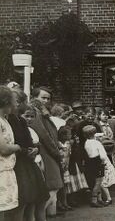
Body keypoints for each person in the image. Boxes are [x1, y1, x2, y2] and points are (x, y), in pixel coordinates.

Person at [7, 89, 50, 221]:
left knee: (36, 199)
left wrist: (34, 149)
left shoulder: (21, 120)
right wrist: (27, 150)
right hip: (18, 164)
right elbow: (13, 143)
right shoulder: (9, 121)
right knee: (23, 201)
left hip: (28, 163)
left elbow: (29, 141)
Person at [29, 87, 64, 218]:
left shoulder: (43, 112)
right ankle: (35, 216)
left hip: (48, 151)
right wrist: (56, 151)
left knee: (52, 187)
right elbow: (43, 134)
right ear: (35, 97)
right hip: (45, 151)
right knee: (54, 185)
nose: (46, 100)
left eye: (48, 98)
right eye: (43, 97)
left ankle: (41, 216)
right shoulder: (35, 112)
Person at [0, 86, 22, 221]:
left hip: (6, 169)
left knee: (4, 210)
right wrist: (18, 147)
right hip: (1, 170)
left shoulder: (4, 120)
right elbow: (3, 148)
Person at [83, 125, 107, 208]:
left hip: (90, 162)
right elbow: (103, 155)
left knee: (95, 182)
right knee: (98, 182)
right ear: (94, 133)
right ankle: (94, 200)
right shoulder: (97, 143)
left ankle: (100, 199)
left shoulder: (86, 142)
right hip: (98, 162)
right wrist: (103, 162)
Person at [57, 126, 73, 212]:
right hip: (59, 166)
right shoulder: (57, 144)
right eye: (69, 134)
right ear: (63, 135)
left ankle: (65, 202)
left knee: (65, 185)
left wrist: (67, 164)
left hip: (66, 166)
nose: (71, 135)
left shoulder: (68, 143)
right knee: (60, 185)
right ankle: (59, 203)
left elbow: (69, 155)